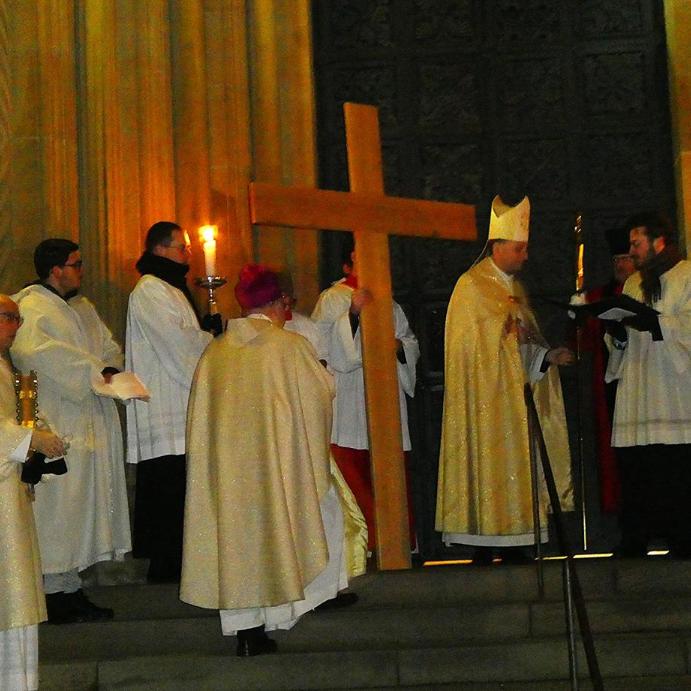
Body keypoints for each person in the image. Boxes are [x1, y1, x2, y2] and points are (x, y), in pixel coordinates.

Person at [180, 265, 353, 657]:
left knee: (236, 543)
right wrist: (325, 378)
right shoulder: (288, 347)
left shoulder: (216, 351)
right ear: (277, 303)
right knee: (285, 528)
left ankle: (245, 631)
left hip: (227, 474)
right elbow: (318, 397)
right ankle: (285, 611)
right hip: (275, 469)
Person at [436, 195, 574, 562]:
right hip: (484, 402)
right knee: (486, 466)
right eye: (520, 248)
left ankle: (517, 543)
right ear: (498, 247)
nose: (525, 256)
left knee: (519, 468)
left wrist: (546, 356)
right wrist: (503, 330)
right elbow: (465, 346)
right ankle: (484, 543)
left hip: (514, 399)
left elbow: (524, 344)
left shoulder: (514, 289)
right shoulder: (471, 286)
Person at [10, 239, 130, 623]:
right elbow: (32, 353)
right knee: (59, 508)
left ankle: (70, 588)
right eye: (75, 264)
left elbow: (109, 349)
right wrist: (91, 371)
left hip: (89, 413)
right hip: (57, 415)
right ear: (55, 269)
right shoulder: (30, 306)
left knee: (80, 510)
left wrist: (107, 369)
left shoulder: (84, 307)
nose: (81, 270)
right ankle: (52, 593)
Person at [311, 245, 419, 550]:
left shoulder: (390, 302)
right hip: (349, 401)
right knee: (354, 475)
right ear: (347, 266)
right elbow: (325, 350)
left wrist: (400, 347)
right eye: (361, 255)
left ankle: (398, 546)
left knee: (392, 478)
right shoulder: (332, 299)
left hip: (387, 400)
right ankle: (365, 548)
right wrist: (353, 315)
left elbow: (410, 342)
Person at [125, 221, 213, 583]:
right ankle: (166, 567)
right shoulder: (150, 290)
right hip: (167, 405)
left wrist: (206, 332)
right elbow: (177, 346)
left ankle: (181, 562)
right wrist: (210, 340)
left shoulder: (172, 288)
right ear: (160, 249)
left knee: (180, 487)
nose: (187, 254)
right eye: (182, 247)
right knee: (167, 488)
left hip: (181, 401)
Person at [605, 211, 691, 557]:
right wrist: (618, 336)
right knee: (638, 468)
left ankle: (683, 538)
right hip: (639, 389)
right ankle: (635, 538)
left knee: (675, 468)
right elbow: (621, 342)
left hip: (674, 392)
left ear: (658, 241)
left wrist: (654, 324)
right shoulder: (632, 284)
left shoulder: (687, 276)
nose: (631, 252)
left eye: (636, 244)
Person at [0, 294, 65, 690]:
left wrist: (41, 441)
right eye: (10, 317)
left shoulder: (9, 368)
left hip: (11, 497)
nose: (17, 325)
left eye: (18, 318)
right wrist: (33, 441)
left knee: (16, 601)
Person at [580, 226, 636, 514]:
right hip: (609, 386)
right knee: (613, 456)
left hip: (642, 384)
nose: (619, 265)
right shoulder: (601, 295)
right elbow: (585, 341)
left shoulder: (650, 290)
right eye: (616, 260)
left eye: (625, 258)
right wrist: (579, 315)